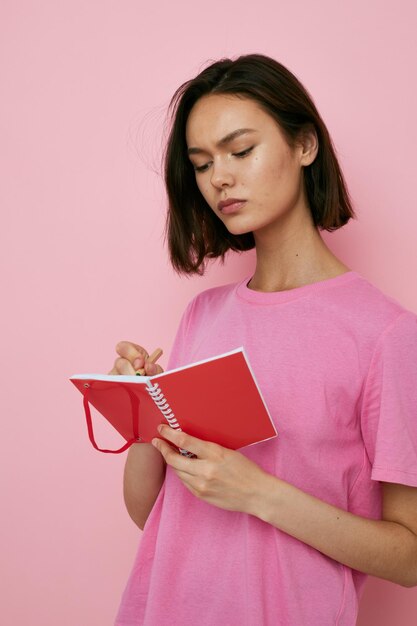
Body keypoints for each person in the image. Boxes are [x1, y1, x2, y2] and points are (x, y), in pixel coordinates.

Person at [111, 54, 417, 626]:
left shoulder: (386, 334)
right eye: (201, 164)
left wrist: (257, 493)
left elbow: (410, 556)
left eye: (240, 150)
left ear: (305, 146)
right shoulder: (202, 314)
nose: (219, 177)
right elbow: (153, 516)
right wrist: (139, 416)